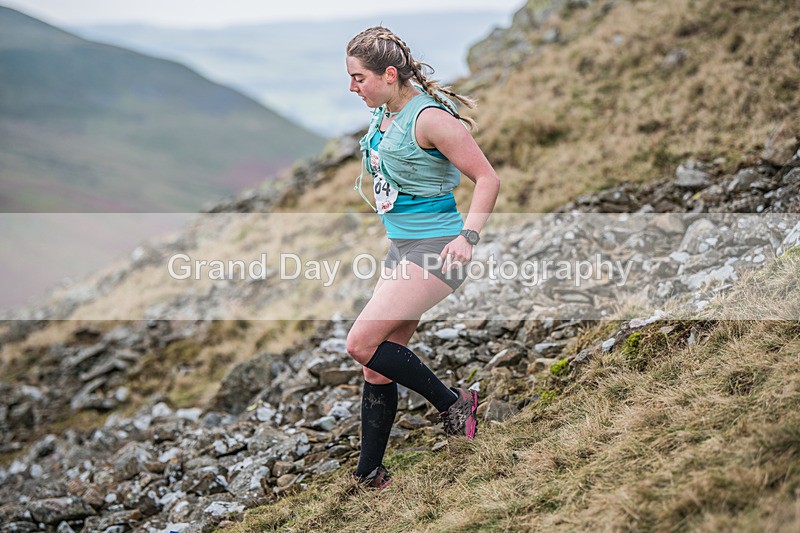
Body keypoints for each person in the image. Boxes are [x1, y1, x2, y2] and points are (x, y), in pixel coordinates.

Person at [344, 26, 500, 489]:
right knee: (376, 363)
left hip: (439, 248)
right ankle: (369, 474)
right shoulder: (385, 112)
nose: (352, 87)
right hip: (402, 247)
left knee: (360, 344)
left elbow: (487, 178)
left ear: (389, 75)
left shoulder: (430, 119)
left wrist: (468, 237)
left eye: (359, 78)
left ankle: (454, 405)